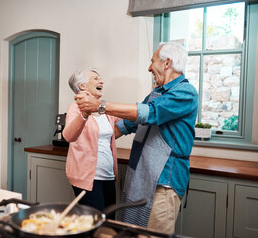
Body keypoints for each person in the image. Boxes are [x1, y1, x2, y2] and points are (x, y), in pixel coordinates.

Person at [75, 42, 198, 233]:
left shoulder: (185, 93)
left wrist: (100, 105)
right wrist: (85, 143)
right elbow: (128, 124)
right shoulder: (156, 93)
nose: (149, 68)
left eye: (152, 61)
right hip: (141, 177)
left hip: (164, 183)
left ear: (167, 63)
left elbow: (150, 113)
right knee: (132, 232)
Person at [63, 68, 121, 213]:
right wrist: (84, 114)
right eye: (95, 78)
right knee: (94, 224)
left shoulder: (104, 109)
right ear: (82, 86)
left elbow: (125, 124)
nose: (101, 81)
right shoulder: (75, 107)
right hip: (87, 179)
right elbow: (68, 136)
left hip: (108, 176)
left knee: (109, 222)